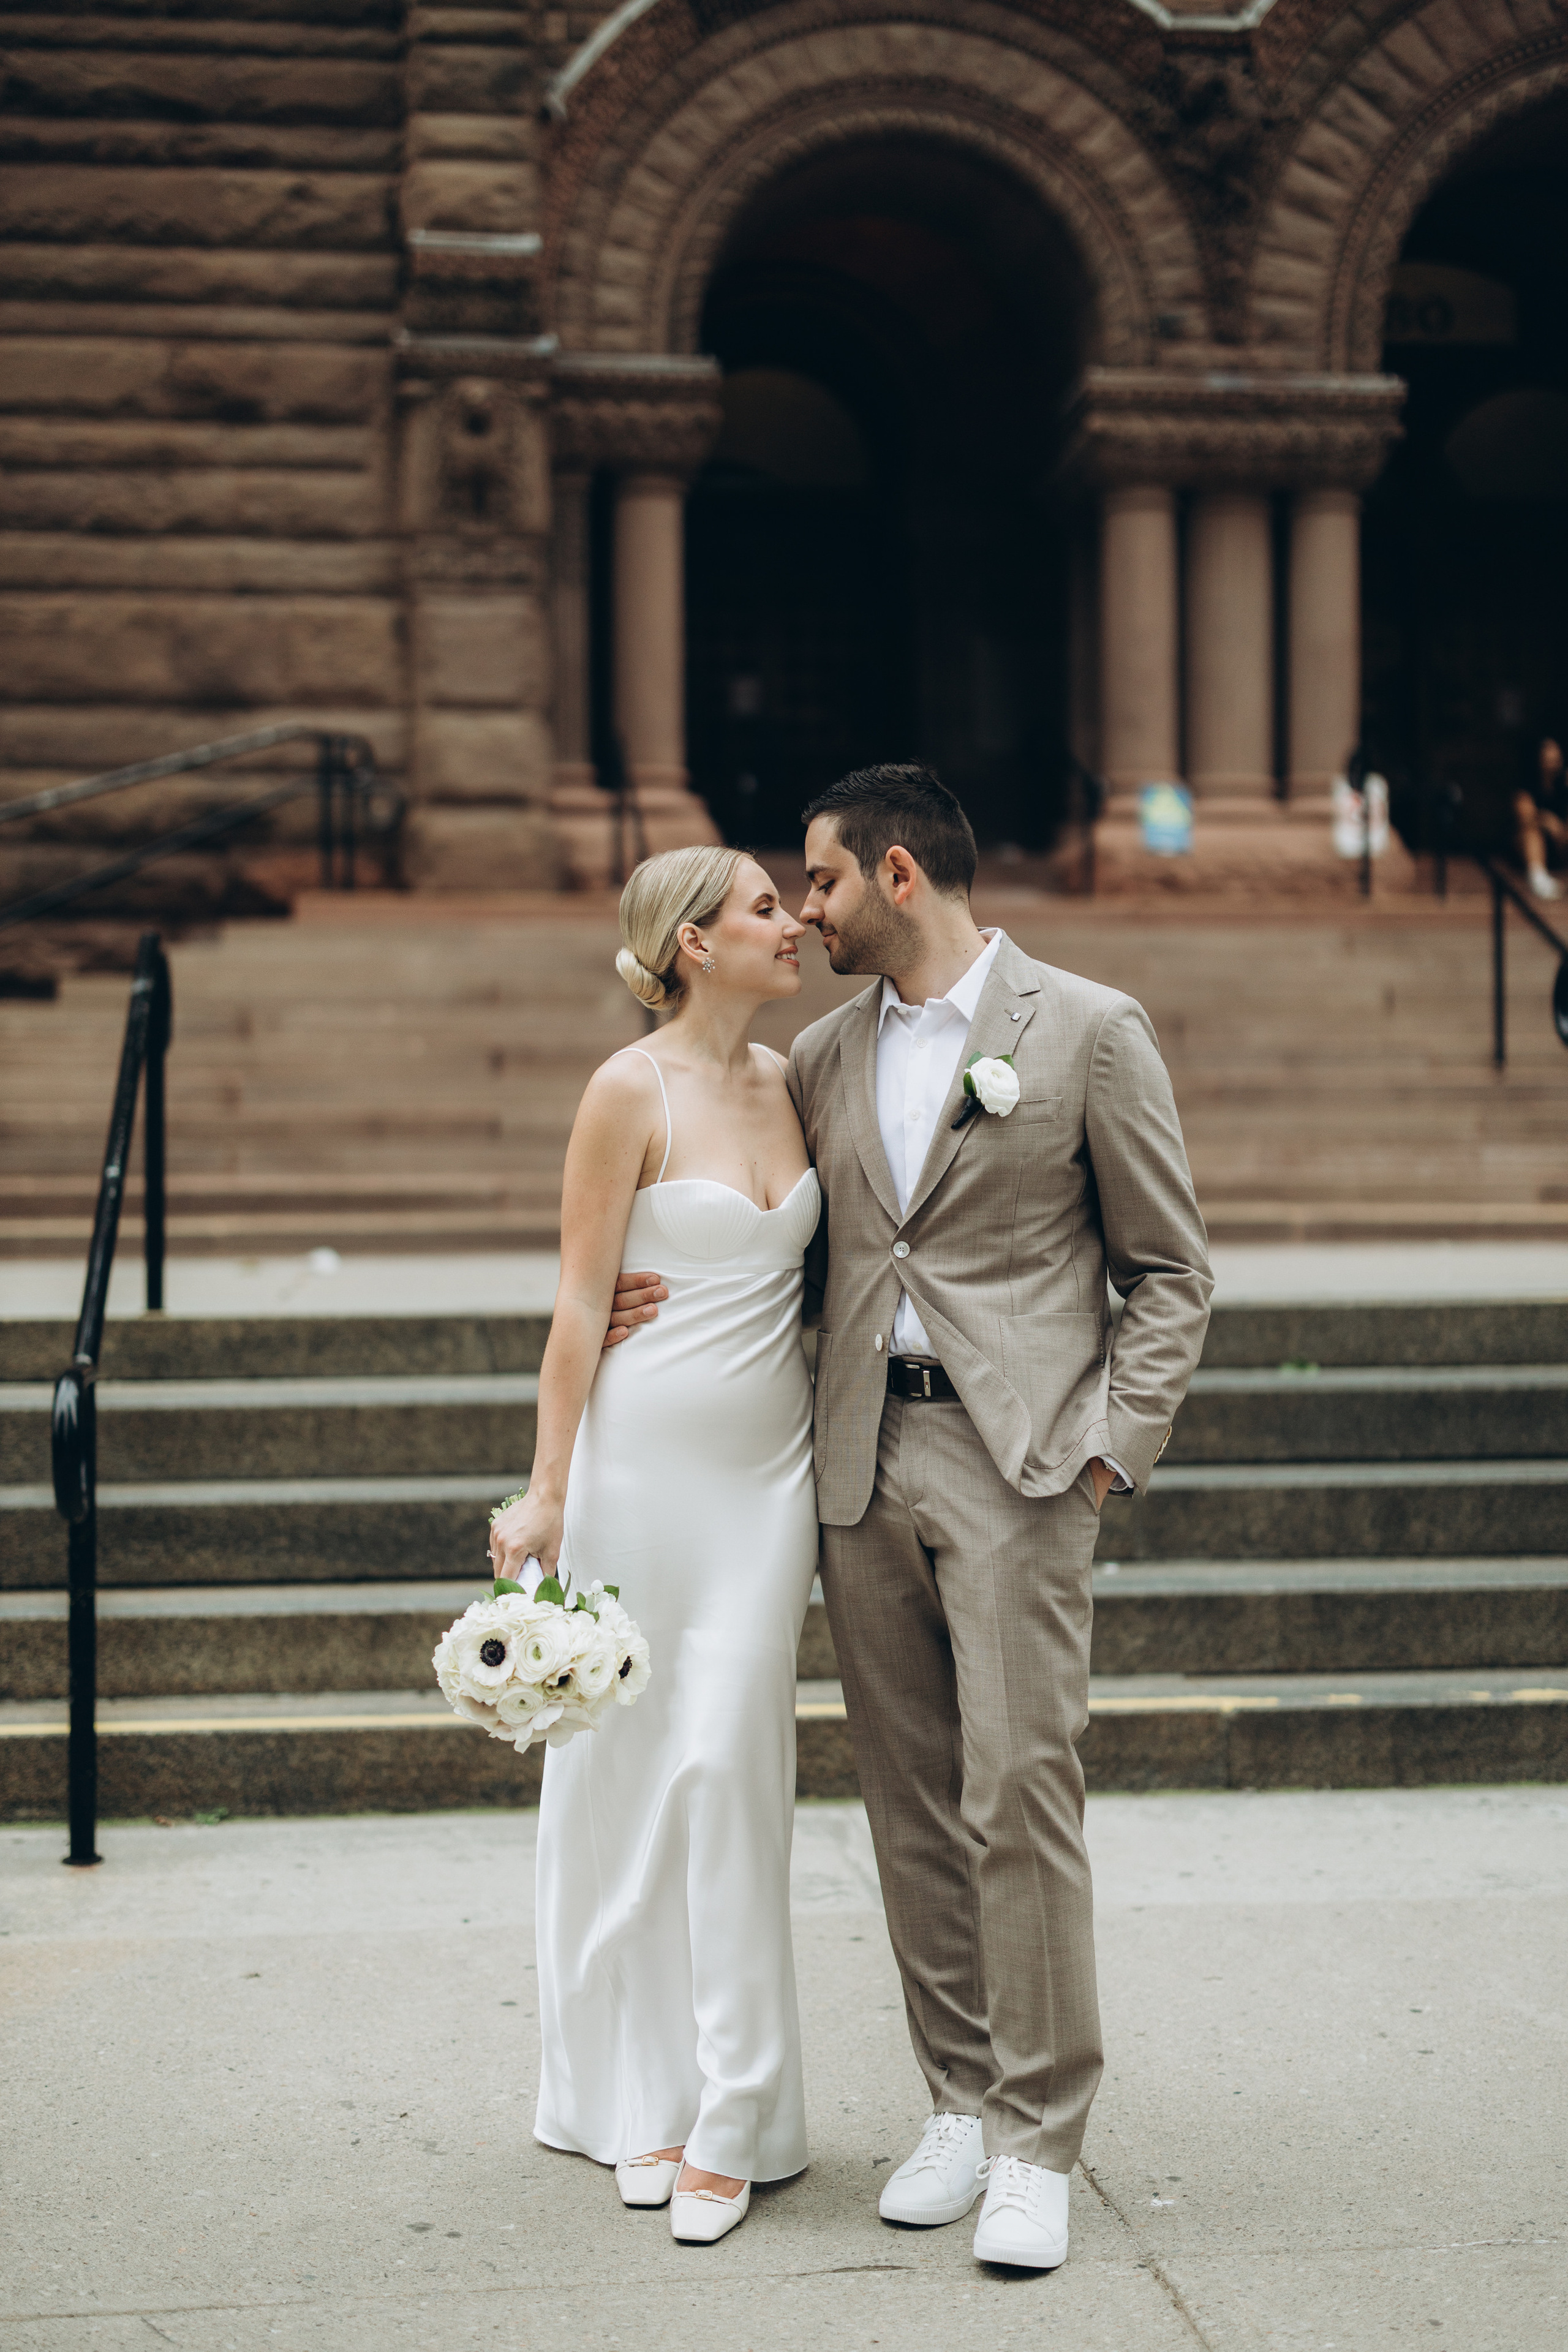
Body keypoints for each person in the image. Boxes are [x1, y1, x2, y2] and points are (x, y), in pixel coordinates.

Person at [607, 765, 1212, 2271]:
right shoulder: (816, 1054)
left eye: (814, 884)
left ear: (892, 872)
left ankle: (1035, 2137)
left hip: (1016, 1468)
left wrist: (1101, 1455)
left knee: (1020, 1795)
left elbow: (1170, 1272)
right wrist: (645, 1298)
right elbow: (750, 1211)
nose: (800, 914)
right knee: (910, 1807)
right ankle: (955, 2096)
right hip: (856, 1467)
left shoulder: (1083, 1029)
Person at [489, 843, 820, 2248]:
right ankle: (637, 2092)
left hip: (768, 1482)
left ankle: (737, 2111)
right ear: (692, 941)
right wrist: (546, 1491)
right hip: (637, 1474)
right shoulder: (624, 1091)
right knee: (623, 1777)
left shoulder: (800, 1082)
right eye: (762, 906)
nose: (792, 921)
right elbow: (577, 1306)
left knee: (729, 1766)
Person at [1514, 735, 1567, 900]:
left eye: (1555, 759)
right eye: (1547, 759)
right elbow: (1525, 816)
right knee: (1531, 832)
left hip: (1561, 844)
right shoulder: (1528, 787)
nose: (1551, 764)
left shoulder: (1563, 786)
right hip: (1532, 848)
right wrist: (1548, 821)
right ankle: (1538, 880)